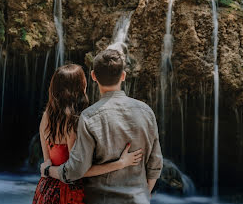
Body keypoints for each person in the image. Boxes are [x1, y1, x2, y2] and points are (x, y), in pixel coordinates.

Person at [42, 49, 163, 203]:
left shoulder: (89, 117)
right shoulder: (146, 112)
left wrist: (47, 170)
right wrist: (144, 193)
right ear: (123, 76)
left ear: (93, 76)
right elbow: (156, 163)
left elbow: (75, 170)